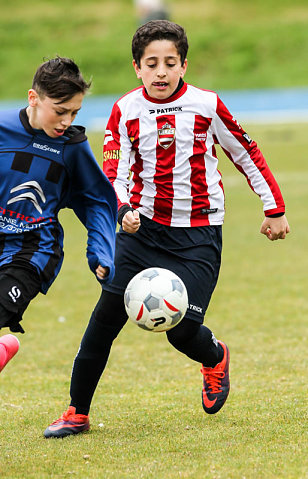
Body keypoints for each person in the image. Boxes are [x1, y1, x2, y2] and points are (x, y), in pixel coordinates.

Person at [44, 21, 290, 438]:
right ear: (137, 68)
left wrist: (274, 208)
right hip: (142, 233)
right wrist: (123, 210)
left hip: (198, 236)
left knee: (181, 331)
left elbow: (245, 152)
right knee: (104, 320)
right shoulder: (125, 110)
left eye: (170, 63)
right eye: (152, 63)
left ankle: (213, 356)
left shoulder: (207, 104)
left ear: (183, 65)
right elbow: (113, 170)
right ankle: (76, 412)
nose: (161, 72)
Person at [0, 57, 118, 373]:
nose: (66, 121)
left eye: (74, 113)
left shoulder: (72, 146)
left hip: (34, 250)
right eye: (60, 111)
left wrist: (101, 253)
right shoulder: (2, 129)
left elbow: (98, 201)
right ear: (33, 99)